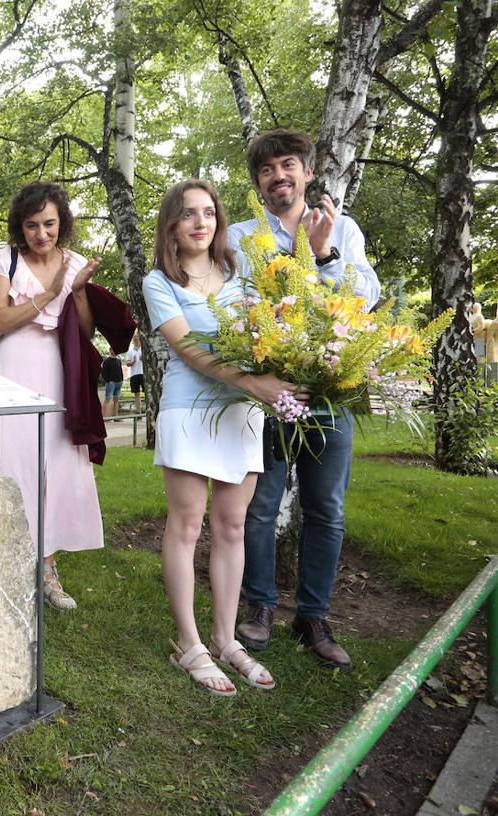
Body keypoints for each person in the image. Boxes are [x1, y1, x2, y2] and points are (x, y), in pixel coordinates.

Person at [230, 129, 381, 672]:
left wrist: (322, 254)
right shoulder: (243, 236)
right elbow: (238, 303)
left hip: (333, 386)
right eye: (267, 171)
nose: (278, 177)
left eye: (288, 165)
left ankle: (314, 615)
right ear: (259, 183)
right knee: (260, 506)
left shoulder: (343, 228)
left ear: (308, 172)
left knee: (327, 510)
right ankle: (261, 605)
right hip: (270, 390)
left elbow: (365, 299)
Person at [143, 179, 295, 695]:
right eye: (188, 214)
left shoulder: (240, 272)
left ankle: (227, 639)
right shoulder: (159, 281)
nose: (200, 222)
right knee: (186, 526)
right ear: (172, 224)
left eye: (208, 212)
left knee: (232, 527)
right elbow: (189, 351)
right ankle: (190, 644)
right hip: (189, 410)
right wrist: (257, 383)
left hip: (241, 415)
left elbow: (268, 333)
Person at [0, 181, 108, 609]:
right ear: (20, 227)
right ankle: (2, 567)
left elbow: (85, 333)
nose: (41, 234)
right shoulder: (2, 260)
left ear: (62, 222)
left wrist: (79, 289)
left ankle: (47, 569)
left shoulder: (76, 262)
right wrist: (48, 295)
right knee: (9, 463)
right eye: (32, 226)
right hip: (12, 370)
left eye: (49, 223)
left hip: (58, 372)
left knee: (55, 464)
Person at [102, 351, 125, 418]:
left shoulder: (118, 360)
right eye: (112, 349)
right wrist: (108, 381)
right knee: (108, 399)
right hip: (111, 383)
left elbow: (120, 370)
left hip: (119, 382)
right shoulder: (107, 361)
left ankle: (116, 417)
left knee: (116, 400)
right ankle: (104, 417)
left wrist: (121, 379)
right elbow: (103, 373)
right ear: (110, 350)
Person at [126, 334, 145, 414]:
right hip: (134, 374)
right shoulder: (130, 351)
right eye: (134, 338)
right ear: (133, 341)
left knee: (147, 392)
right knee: (136, 394)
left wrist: (143, 358)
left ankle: (148, 410)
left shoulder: (144, 349)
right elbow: (127, 363)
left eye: (137, 338)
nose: (136, 339)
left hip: (143, 374)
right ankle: (138, 411)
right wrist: (132, 362)